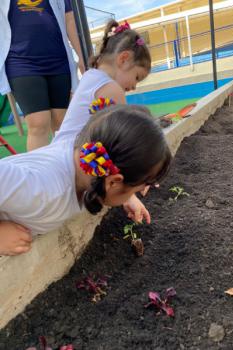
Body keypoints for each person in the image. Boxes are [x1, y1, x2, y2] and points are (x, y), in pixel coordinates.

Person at [0, 104, 171, 256]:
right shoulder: (42, 190)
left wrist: (127, 196)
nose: (132, 195)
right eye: (136, 190)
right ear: (113, 182)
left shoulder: (81, 154)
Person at [0, 0, 84, 151]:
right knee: (38, 123)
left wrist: (82, 56)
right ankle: (39, 174)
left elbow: (69, 19)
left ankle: (64, 170)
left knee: (62, 123)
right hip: (21, 61)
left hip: (58, 59)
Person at [54, 19, 151, 142]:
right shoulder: (111, 88)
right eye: (137, 77)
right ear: (123, 59)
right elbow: (125, 136)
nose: (134, 87)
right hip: (74, 157)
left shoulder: (90, 76)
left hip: (60, 148)